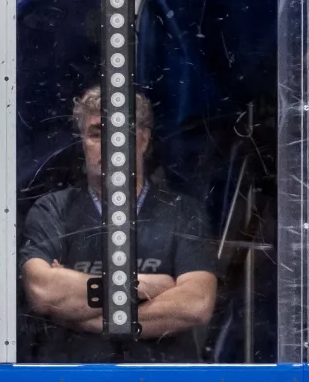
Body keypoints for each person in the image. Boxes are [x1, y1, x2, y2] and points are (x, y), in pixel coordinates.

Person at [19, 86, 218, 362]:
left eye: (119, 132)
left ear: (143, 140)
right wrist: (147, 287)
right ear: (82, 142)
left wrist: (89, 317)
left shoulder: (182, 212)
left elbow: (195, 304)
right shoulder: (52, 210)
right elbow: (43, 291)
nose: (108, 144)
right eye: (96, 134)